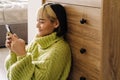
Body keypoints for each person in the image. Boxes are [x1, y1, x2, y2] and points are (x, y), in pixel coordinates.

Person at [5, 3, 71, 80]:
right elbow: (10, 73)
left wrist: (22, 54)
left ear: (56, 23)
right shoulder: (38, 41)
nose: (37, 26)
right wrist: (14, 51)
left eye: (42, 22)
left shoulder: (60, 50)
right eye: (37, 21)